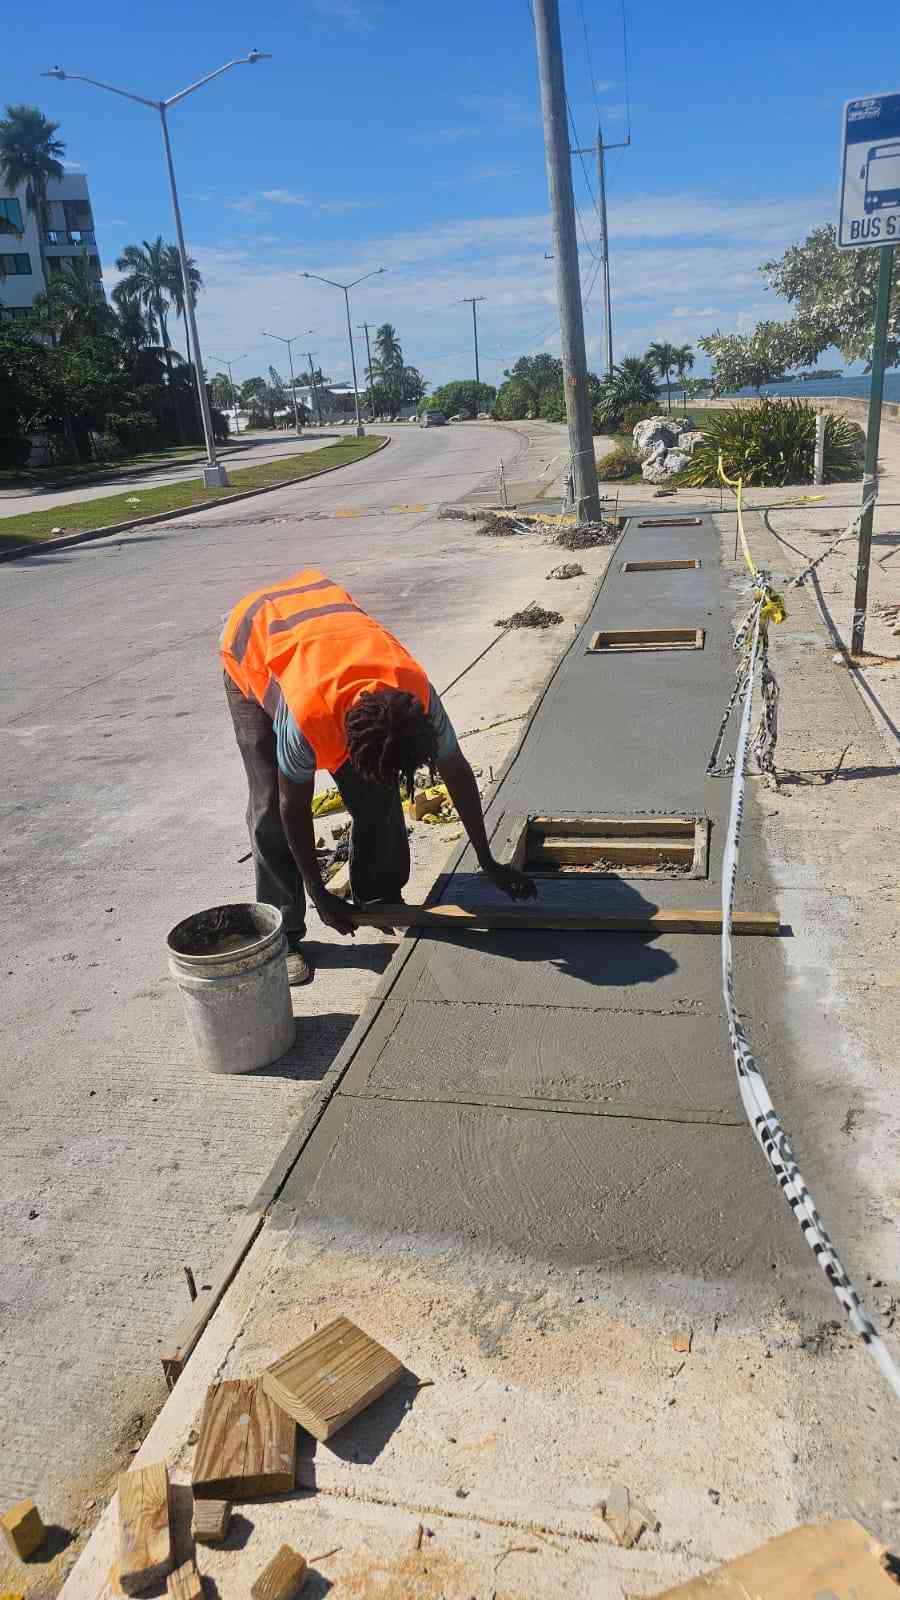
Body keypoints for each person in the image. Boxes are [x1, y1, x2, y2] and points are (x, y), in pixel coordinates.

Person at [222, 568, 536, 985]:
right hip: (252, 645)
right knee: (268, 812)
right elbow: (290, 807)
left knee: (377, 792)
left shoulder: (416, 697)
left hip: (319, 623)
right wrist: (319, 894)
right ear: (351, 744)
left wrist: (487, 859)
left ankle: (379, 898)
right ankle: (285, 936)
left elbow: (456, 770)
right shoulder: (307, 718)